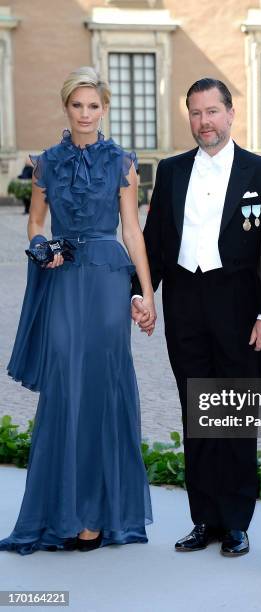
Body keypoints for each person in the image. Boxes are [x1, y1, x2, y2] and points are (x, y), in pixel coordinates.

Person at [132, 78, 261, 556]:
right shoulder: (172, 170)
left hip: (242, 308)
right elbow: (156, 239)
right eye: (196, 113)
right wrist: (141, 294)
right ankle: (204, 519)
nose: (205, 122)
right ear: (189, 117)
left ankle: (237, 521)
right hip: (186, 306)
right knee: (198, 414)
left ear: (231, 113)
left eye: (213, 112)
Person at [0, 66, 155, 554]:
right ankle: (64, 513)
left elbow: (132, 230)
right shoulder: (45, 164)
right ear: (66, 109)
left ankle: (96, 518)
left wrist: (146, 291)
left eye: (94, 106)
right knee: (66, 384)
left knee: (105, 386)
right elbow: (35, 225)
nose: (86, 114)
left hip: (109, 279)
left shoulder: (122, 163)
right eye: (77, 105)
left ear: (104, 109)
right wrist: (45, 248)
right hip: (64, 280)